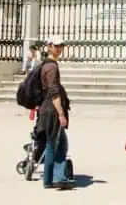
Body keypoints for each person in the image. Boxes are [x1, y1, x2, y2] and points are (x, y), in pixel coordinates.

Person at [38, 36, 74, 190]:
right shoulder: (52, 67)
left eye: (61, 46)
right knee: (57, 144)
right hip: (52, 109)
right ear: (49, 46)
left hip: (46, 108)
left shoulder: (45, 65)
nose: (59, 49)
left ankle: (49, 179)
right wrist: (60, 113)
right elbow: (54, 91)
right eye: (56, 46)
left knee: (54, 143)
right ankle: (58, 177)